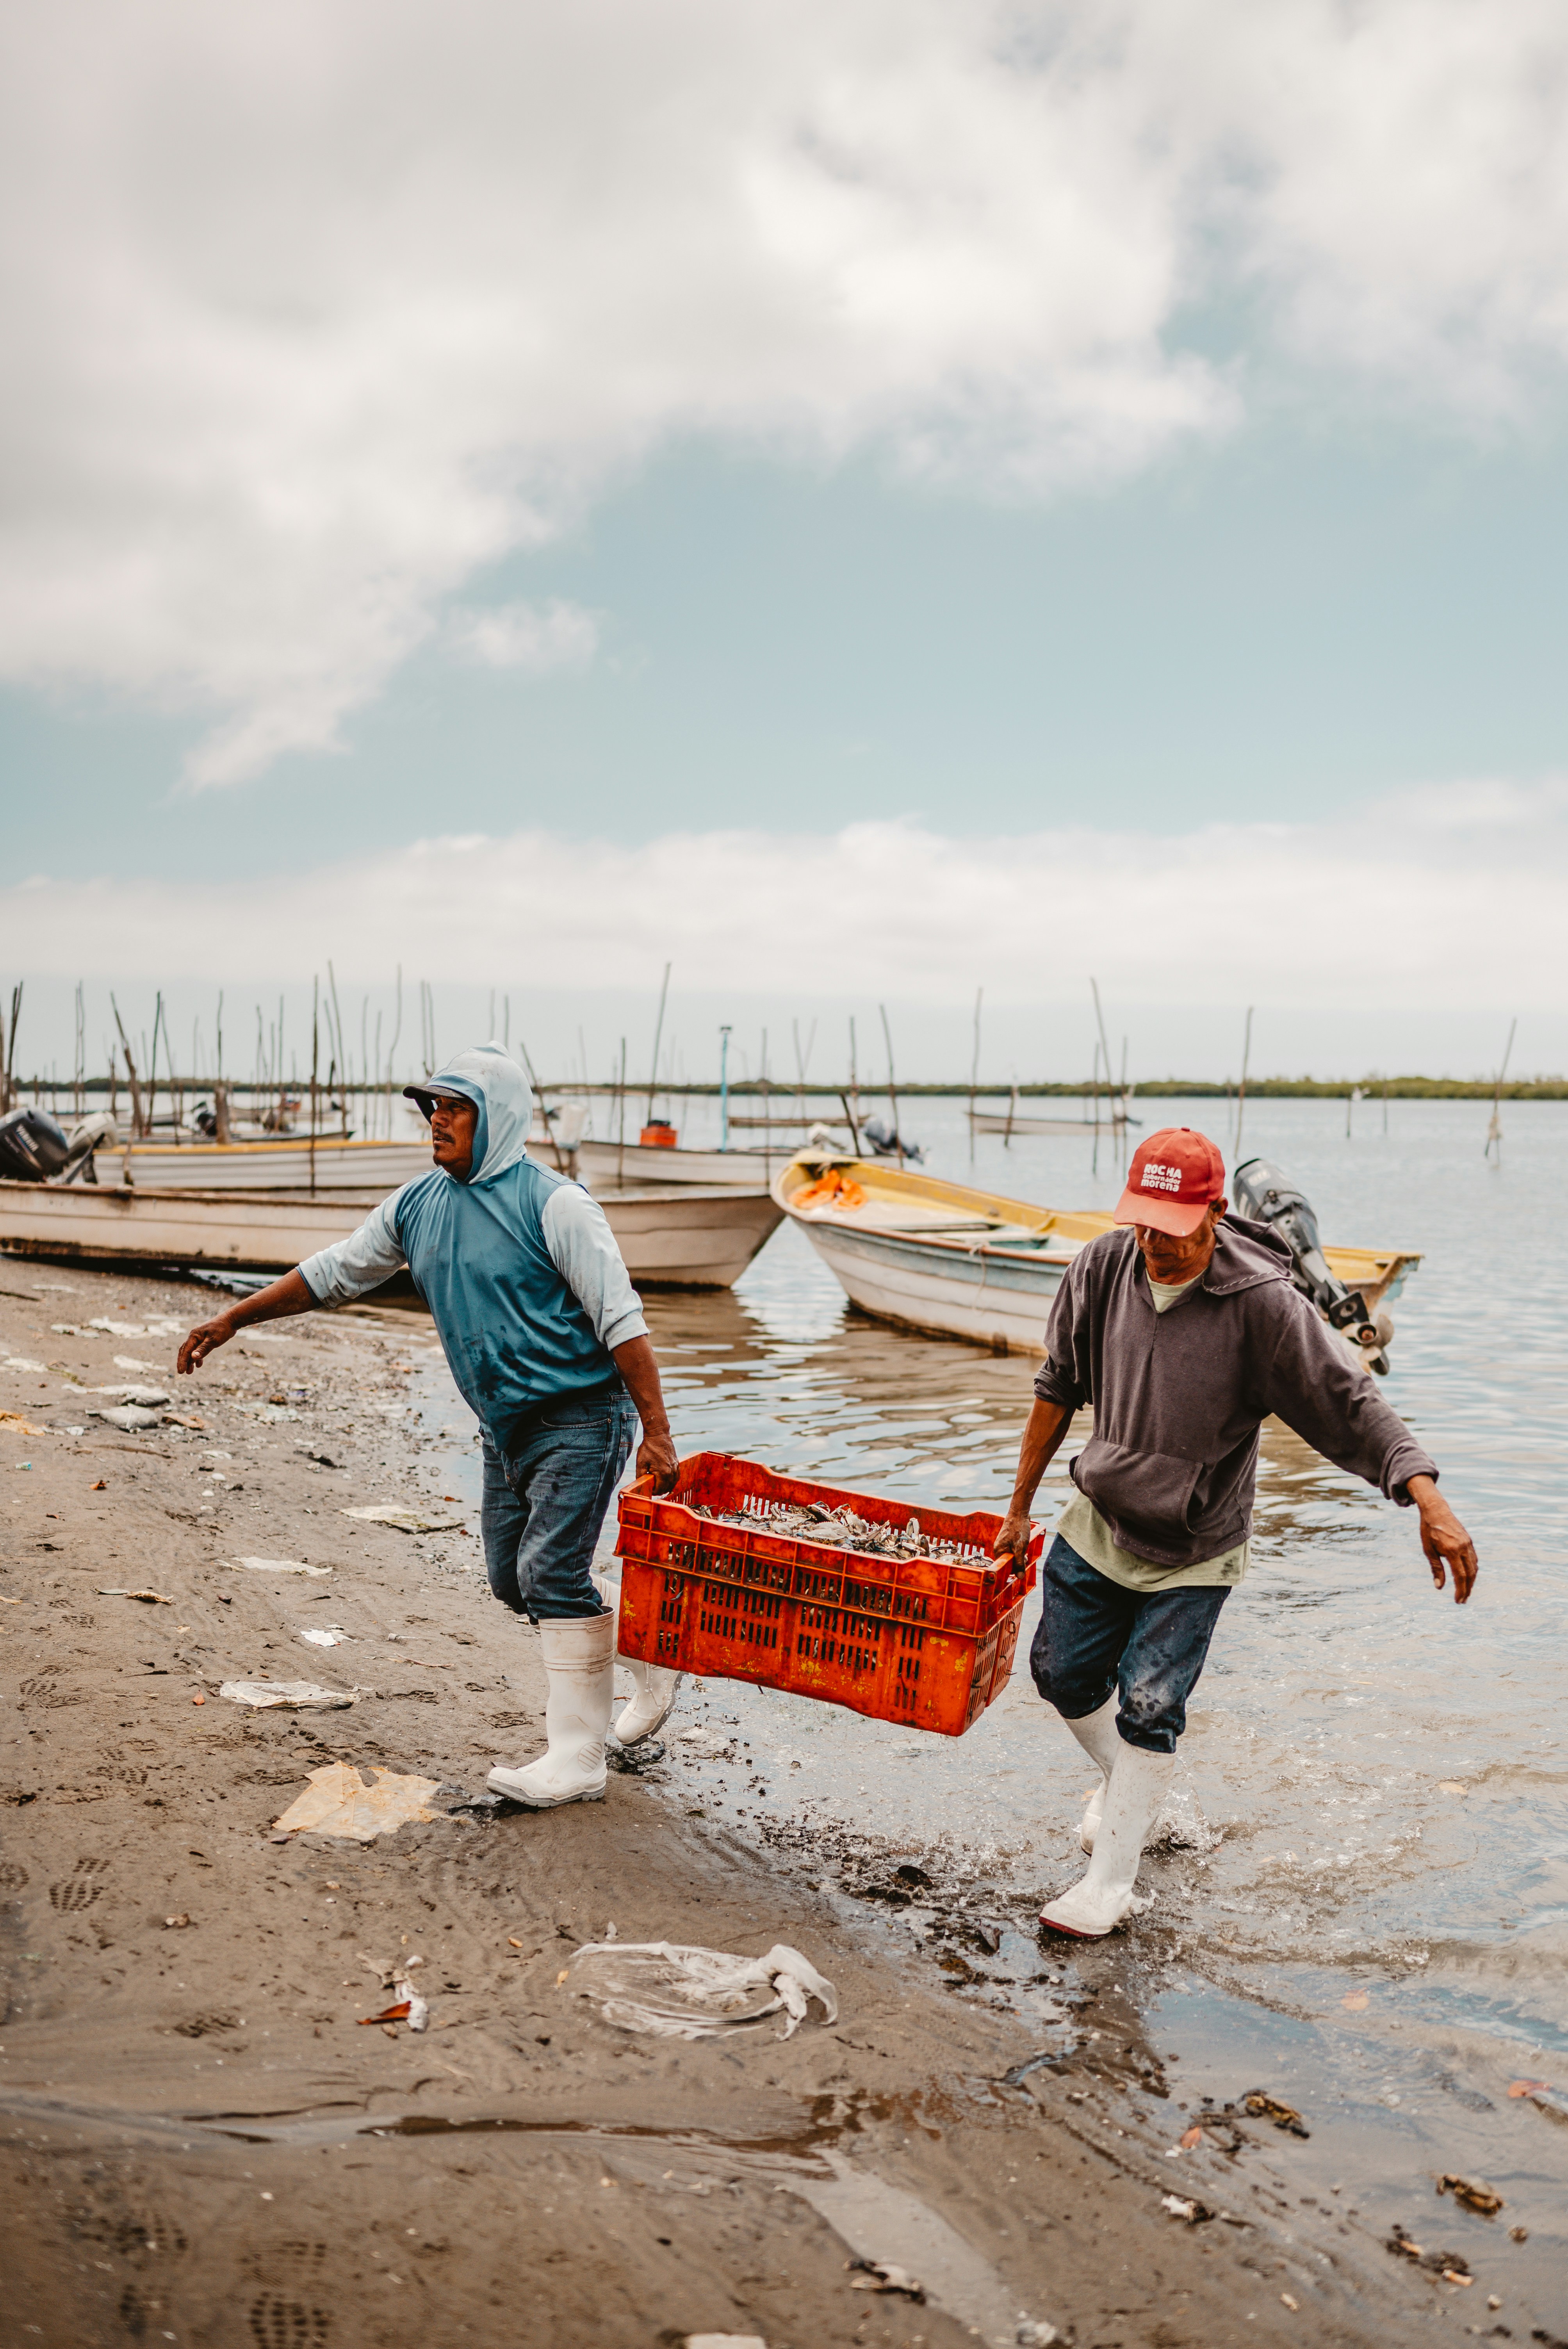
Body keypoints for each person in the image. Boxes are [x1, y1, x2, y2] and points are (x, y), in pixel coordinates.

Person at [993, 1125, 1477, 1940]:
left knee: (1150, 1703)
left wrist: (1423, 1493)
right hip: (1101, 1517)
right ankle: (1143, 1796)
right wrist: (1017, 1507)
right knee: (1059, 1673)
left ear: (1213, 1213)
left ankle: (1108, 1884)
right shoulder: (1102, 1266)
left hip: (1195, 1545)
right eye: (1141, 1222)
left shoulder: (1263, 1306)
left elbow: (1347, 1403)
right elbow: (1056, 1385)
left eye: (1172, 1230)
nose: (1153, 1243)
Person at [176, 1042, 681, 1808]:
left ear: (498, 1116)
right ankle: (645, 1653)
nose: (436, 1120)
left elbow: (622, 1321)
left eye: (454, 1106)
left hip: (581, 1414)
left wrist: (657, 1431)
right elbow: (333, 1272)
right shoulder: (418, 1205)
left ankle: (578, 1758)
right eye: (431, 1106)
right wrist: (234, 1318)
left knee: (550, 1574)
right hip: (504, 1425)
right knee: (515, 1581)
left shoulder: (557, 1204)